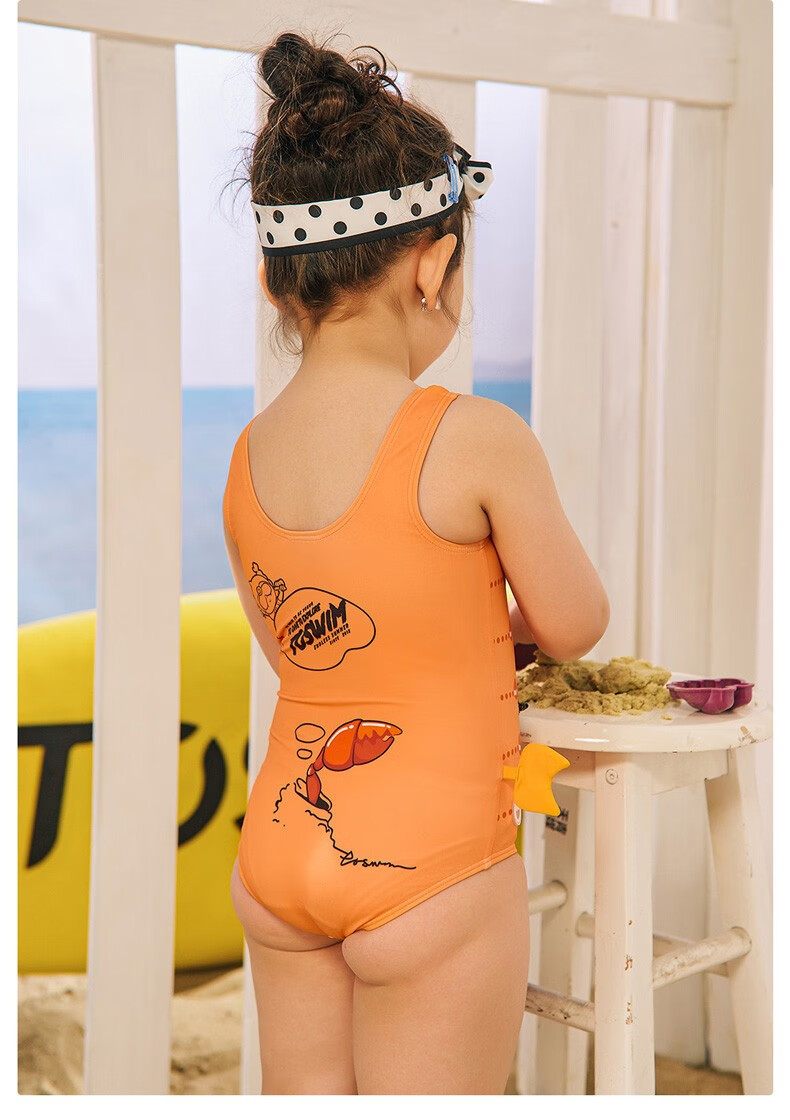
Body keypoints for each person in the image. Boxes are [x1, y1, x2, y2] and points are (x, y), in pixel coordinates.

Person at [222, 30, 610, 1095]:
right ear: (433, 264)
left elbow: (309, 640)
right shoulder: (473, 436)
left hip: (284, 846)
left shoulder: (248, 455)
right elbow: (574, 622)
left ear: (274, 283)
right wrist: (493, 628)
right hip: (429, 868)